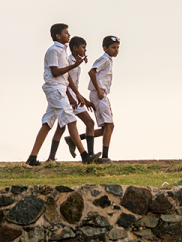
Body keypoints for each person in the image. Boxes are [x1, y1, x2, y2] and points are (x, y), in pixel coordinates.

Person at [26, 24, 101, 166]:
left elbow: (67, 77)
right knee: (71, 121)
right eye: (66, 33)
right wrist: (74, 65)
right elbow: (55, 72)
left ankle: (32, 157)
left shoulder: (63, 52)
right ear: (58, 36)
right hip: (55, 89)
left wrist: (77, 93)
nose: (69, 35)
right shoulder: (53, 51)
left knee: (47, 124)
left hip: (58, 89)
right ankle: (84, 155)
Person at [46, 36, 103, 163]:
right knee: (61, 127)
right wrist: (72, 97)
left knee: (89, 123)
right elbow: (63, 81)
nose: (85, 50)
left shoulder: (77, 63)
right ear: (75, 48)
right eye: (83, 47)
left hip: (75, 97)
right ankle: (52, 158)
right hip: (66, 97)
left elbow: (74, 85)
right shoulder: (68, 61)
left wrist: (81, 98)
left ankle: (90, 154)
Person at [86, 35, 120, 163]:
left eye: (117, 48)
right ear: (105, 48)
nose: (116, 50)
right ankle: (104, 157)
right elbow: (92, 72)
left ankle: (76, 139)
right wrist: (99, 90)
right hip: (99, 94)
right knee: (109, 125)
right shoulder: (104, 59)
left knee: (106, 128)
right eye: (113, 48)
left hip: (101, 94)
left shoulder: (109, 60)